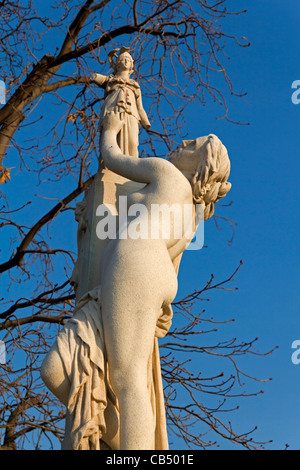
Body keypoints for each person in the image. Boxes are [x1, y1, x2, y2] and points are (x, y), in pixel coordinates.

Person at [41, 112, 231, 450]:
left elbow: (113, 157)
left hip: (133, 265)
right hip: (143, 275)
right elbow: (170, 271)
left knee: (128, 381)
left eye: (192, 146)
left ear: (200, 164)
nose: (183, 143)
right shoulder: (192, 215)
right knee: (59, 371)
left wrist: (111, 129)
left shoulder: (167, 173)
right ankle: (114, 437)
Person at [91, 47, 150, 158]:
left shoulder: (135, 86)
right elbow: (100, 79)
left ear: (132, 64)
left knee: (132, 142)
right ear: (117, 64)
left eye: (129, 59)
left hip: (131, 114)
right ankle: (110, 166)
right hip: (113, 111)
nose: (126, 60)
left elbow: (140, 107)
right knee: (112, 140)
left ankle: (131, 168)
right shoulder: (111, 80)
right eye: (123, 59)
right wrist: (94, 77)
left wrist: (146, 122)